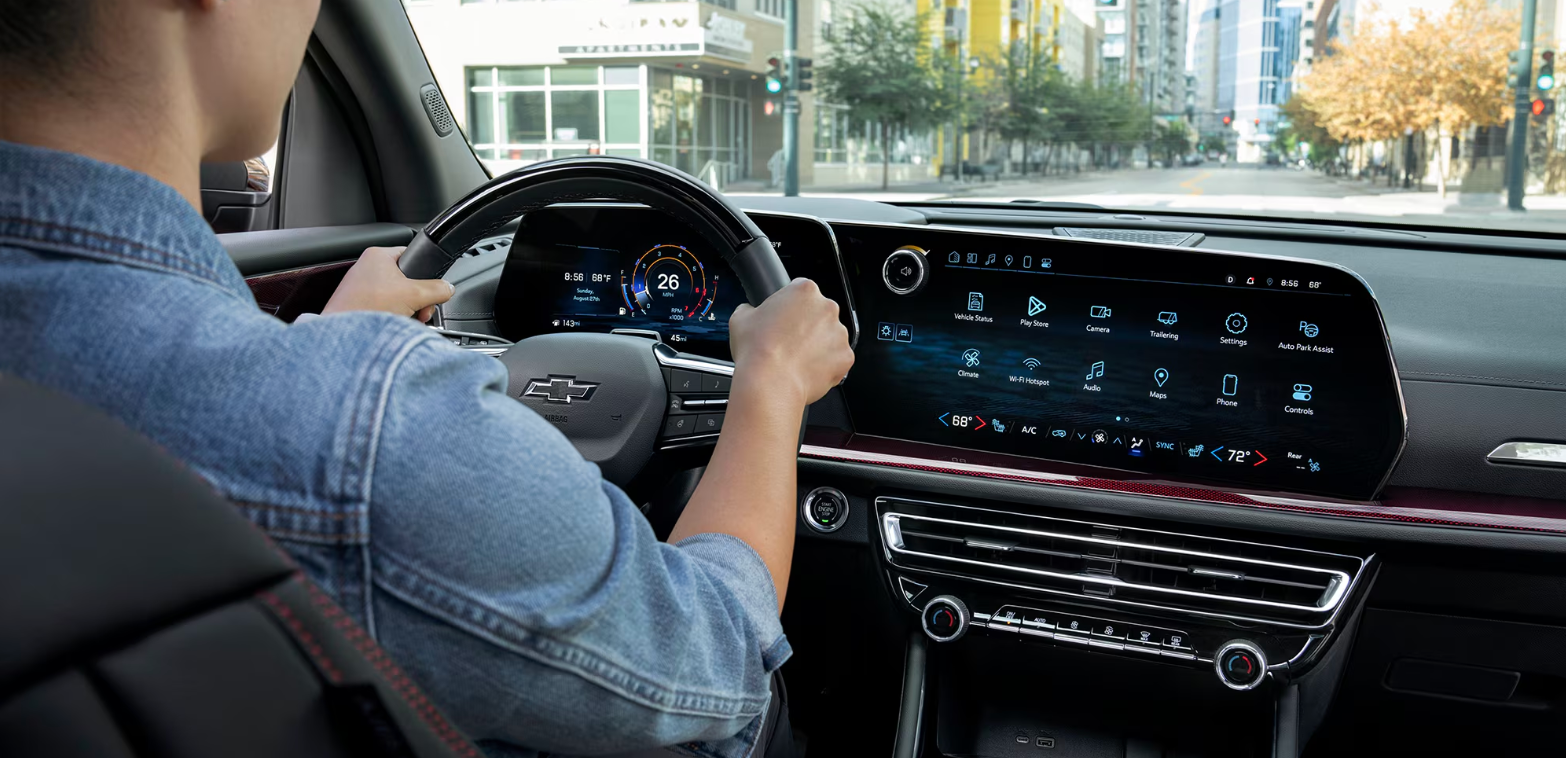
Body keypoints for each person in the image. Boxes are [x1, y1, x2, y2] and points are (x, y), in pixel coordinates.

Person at [0, 1, 854, 757]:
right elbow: (715, 658)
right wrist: (769, 388)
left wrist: (330, 346)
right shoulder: (370, 430)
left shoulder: (312, 401)